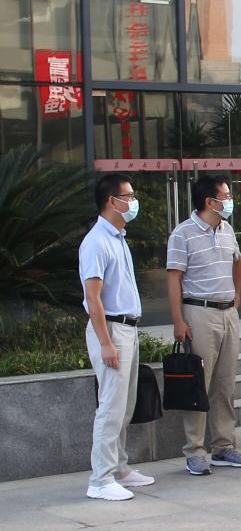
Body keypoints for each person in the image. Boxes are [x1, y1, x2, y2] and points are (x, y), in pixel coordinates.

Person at [166, 174, 241, 476]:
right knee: (198, 385)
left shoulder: (227, 230)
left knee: (225, 384)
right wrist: (178, 320)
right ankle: (194, 450)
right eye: (225, 196)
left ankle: (223, 446)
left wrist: (236, 294)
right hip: (199, 313)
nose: (230, 201)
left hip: (228, 313)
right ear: (209, 201)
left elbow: (238, 261)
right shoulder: (183, 233)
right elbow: (174, 278)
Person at [79, 174, 154, 500]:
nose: (133, 202)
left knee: (124, 406)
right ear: (112, 201)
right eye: (129, 196)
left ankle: (120, 468)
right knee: (110, 407)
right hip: (110, 329)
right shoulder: (96, 241)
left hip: (127, 328)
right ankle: (100, 479)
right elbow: (93, 297)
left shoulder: (118, 238)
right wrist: (106, 343)